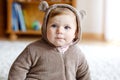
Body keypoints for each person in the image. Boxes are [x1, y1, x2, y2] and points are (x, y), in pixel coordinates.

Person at [8, 1, 91, 80]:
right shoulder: (33, 49)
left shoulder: (77, 53)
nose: (60, 31)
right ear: (45, 28)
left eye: (66, 27)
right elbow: (18, 68)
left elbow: (84, 74)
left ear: (75, 33)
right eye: (54, 26)